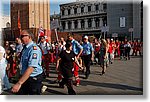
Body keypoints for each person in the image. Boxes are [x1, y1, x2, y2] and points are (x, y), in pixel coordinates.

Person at [11, 29, 43, 95]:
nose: (21, 38)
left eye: (23, 36)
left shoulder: (34, 49)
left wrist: (19, 83)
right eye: (20, 36)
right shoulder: (25, 48)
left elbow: (31, 68)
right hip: (25, 77)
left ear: (29, 37)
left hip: (33, 78)